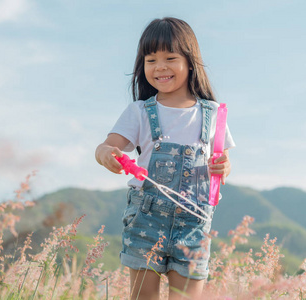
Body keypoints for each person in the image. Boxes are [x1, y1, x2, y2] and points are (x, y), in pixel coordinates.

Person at [95, 17, 236, 300]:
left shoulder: (212, 114)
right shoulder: (139, 111)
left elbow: (224, 164)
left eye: (170, 58)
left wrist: (224, 167)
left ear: (190, 62)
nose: (160, 67)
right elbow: (108, 145)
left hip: (193, 225)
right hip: (147, 219)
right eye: (151, 60)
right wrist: (106, 155)